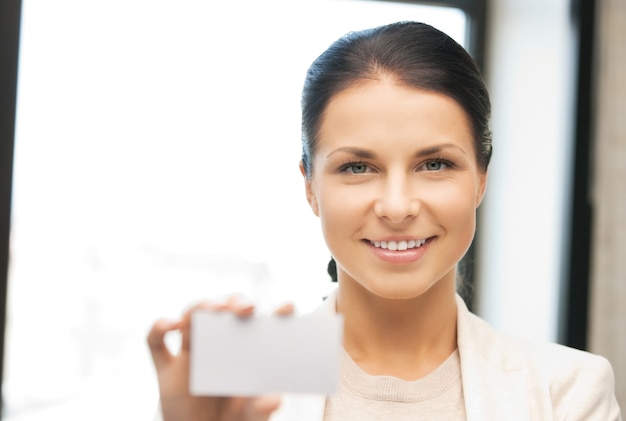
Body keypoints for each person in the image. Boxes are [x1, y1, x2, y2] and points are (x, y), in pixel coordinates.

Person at [147, 21, 622, 420]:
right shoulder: (244, 377)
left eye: (435, 164)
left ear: (481, 179)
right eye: (358, 167)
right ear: (310, 186)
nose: (397, 207)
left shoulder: (566, 391)